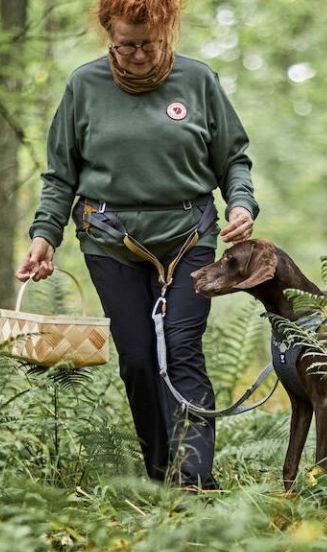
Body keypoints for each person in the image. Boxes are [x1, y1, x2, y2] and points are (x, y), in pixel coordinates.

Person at [16, 0, 258, 491]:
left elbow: (233, 158)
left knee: (182, 348)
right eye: (126, 44)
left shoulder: (198, 80)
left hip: (189, 236)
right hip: (111, 241)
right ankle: (159, 471)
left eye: (149, 43)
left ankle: (192, 480)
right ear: (109, 32)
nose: (138, 54)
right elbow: (60, 176)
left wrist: (241, 206)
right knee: (139, 358)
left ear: (165, 31)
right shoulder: (84, 86)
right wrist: (45, 236)